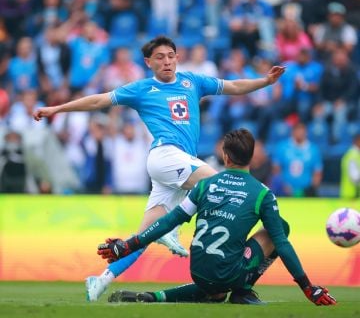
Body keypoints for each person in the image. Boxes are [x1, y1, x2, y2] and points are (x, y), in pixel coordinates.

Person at [33, 35, 285, 301]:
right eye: (160, 57)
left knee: (144, 236)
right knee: (218, 185)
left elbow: (233, 85)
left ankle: (101, 279)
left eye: (171, 56)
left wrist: (265, 81)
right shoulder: (141, 89)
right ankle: (174, 230)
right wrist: (57, 109)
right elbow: (98, 101)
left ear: (177, 58)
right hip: (165, 156)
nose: (167, 61)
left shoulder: (192, 82)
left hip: (178, 166)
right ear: (148, 62)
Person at [98, 129, 336, 306]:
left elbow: (171, 220)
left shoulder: (204, 185)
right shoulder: (262, 193)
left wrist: (130, 244)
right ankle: (243, 291)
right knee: (280, 228)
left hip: (198, 270)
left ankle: (156, 296)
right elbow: (281, 244)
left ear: (225, 156)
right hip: (229, 273)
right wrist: (308, 287)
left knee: (215, 287)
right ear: (252, 157)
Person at [340, 133, 360, 200]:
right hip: (351, 197)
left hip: (353, 196)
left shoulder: (355, 154)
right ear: (357, 141)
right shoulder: (352, 155)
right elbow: (355, 177)